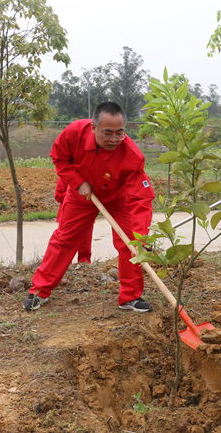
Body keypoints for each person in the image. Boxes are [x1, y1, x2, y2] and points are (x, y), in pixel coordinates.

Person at [24, 102, 155, 312]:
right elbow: (59, 158)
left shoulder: (131, 155)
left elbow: (141, 199)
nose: (114, 139)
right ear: (93, 127)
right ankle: (40, 290)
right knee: (64, 239)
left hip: (117, 198)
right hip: (80, 195)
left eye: (120, 133)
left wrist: (141, 238)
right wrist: (78, 182)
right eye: (108, 133)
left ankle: (130, 297)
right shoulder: (74, 133)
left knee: (129, 243)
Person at [54, 177, 93, 264]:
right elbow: (58, 195)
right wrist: (75, 196)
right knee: (65, 242)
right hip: (68, 215)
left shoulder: (90, 176)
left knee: (85, 243)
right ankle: (62, 264)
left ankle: (84, 264)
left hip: (87, 215)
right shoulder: (65, 177)